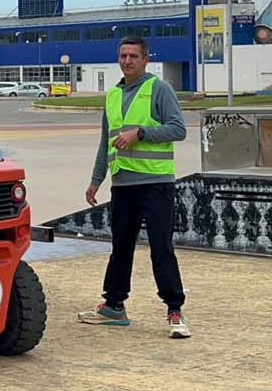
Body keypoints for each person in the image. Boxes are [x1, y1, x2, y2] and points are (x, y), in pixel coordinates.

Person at [81, 37, 192, 339]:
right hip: (123, 185)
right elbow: (106, 142)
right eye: (123, 55)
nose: (127, 61)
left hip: (156, 184)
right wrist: (96, 179)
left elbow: (178, 129)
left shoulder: (159, 89)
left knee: (161, 248)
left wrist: (140, 133)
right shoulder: (113, 96)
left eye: (133, 56)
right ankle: (114, 306)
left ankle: (174, 309)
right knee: (121, 248)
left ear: (145, 60)